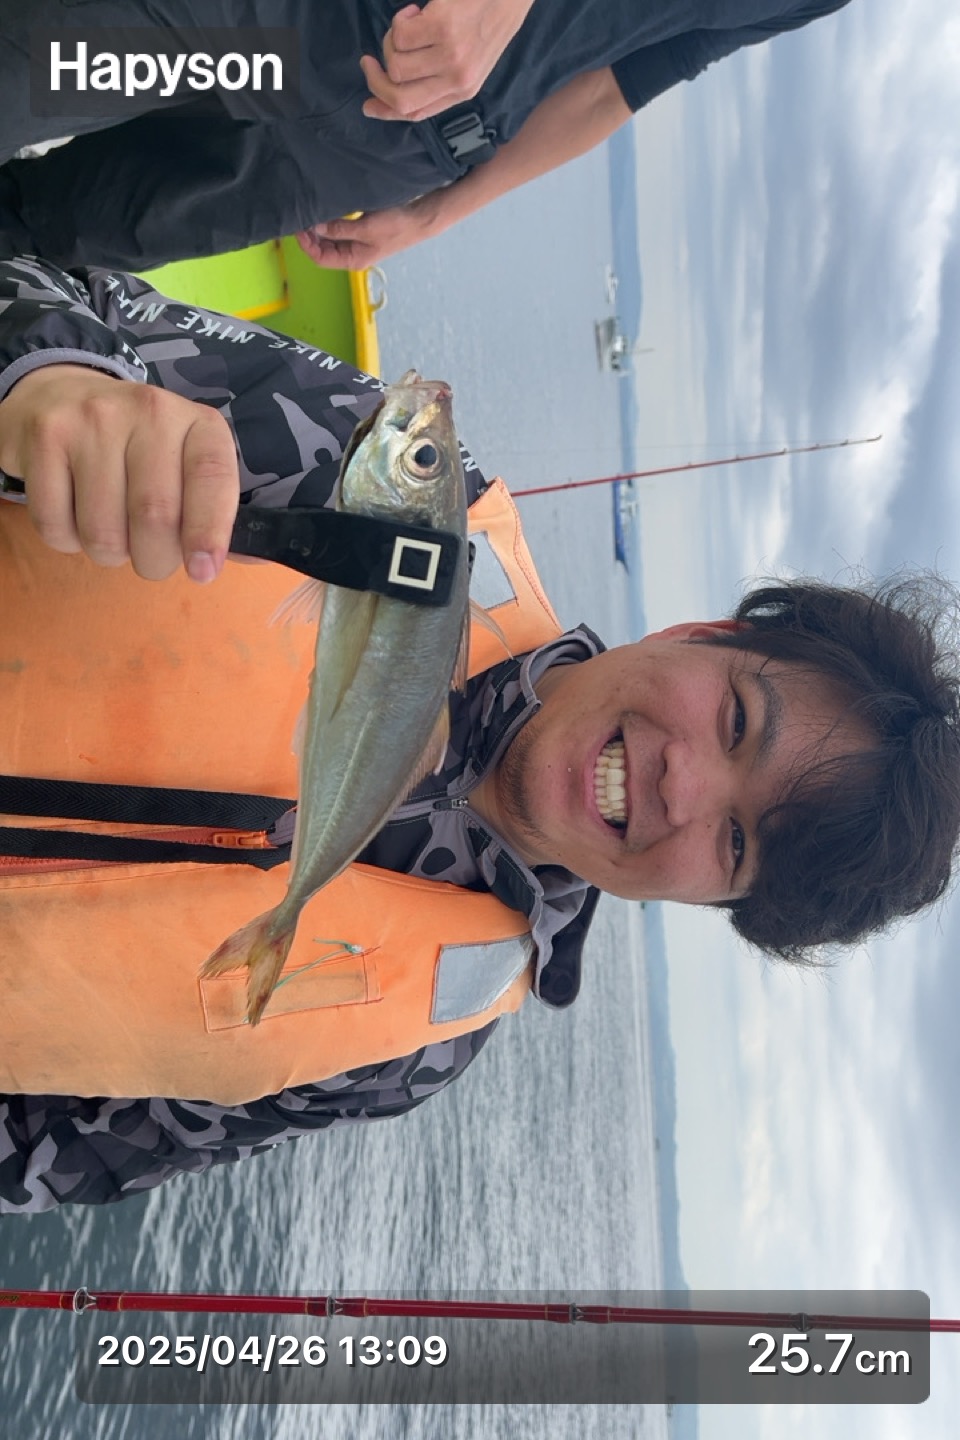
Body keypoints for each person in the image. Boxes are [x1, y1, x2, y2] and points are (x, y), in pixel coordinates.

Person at [0, 253, 958, 1212]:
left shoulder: (418, 1044)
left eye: (737, 841)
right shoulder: (415, 508)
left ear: (707, 900)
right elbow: (66, 287)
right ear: (704, 635)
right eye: (738, 721)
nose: (684, 788)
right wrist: (55, 376)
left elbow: (63, 1151)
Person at [0, 0, 852, 271]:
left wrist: (439, 212)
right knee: (29, 74)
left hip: (392, 148)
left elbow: (614, 87)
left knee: (62, 225)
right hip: (314, 21)